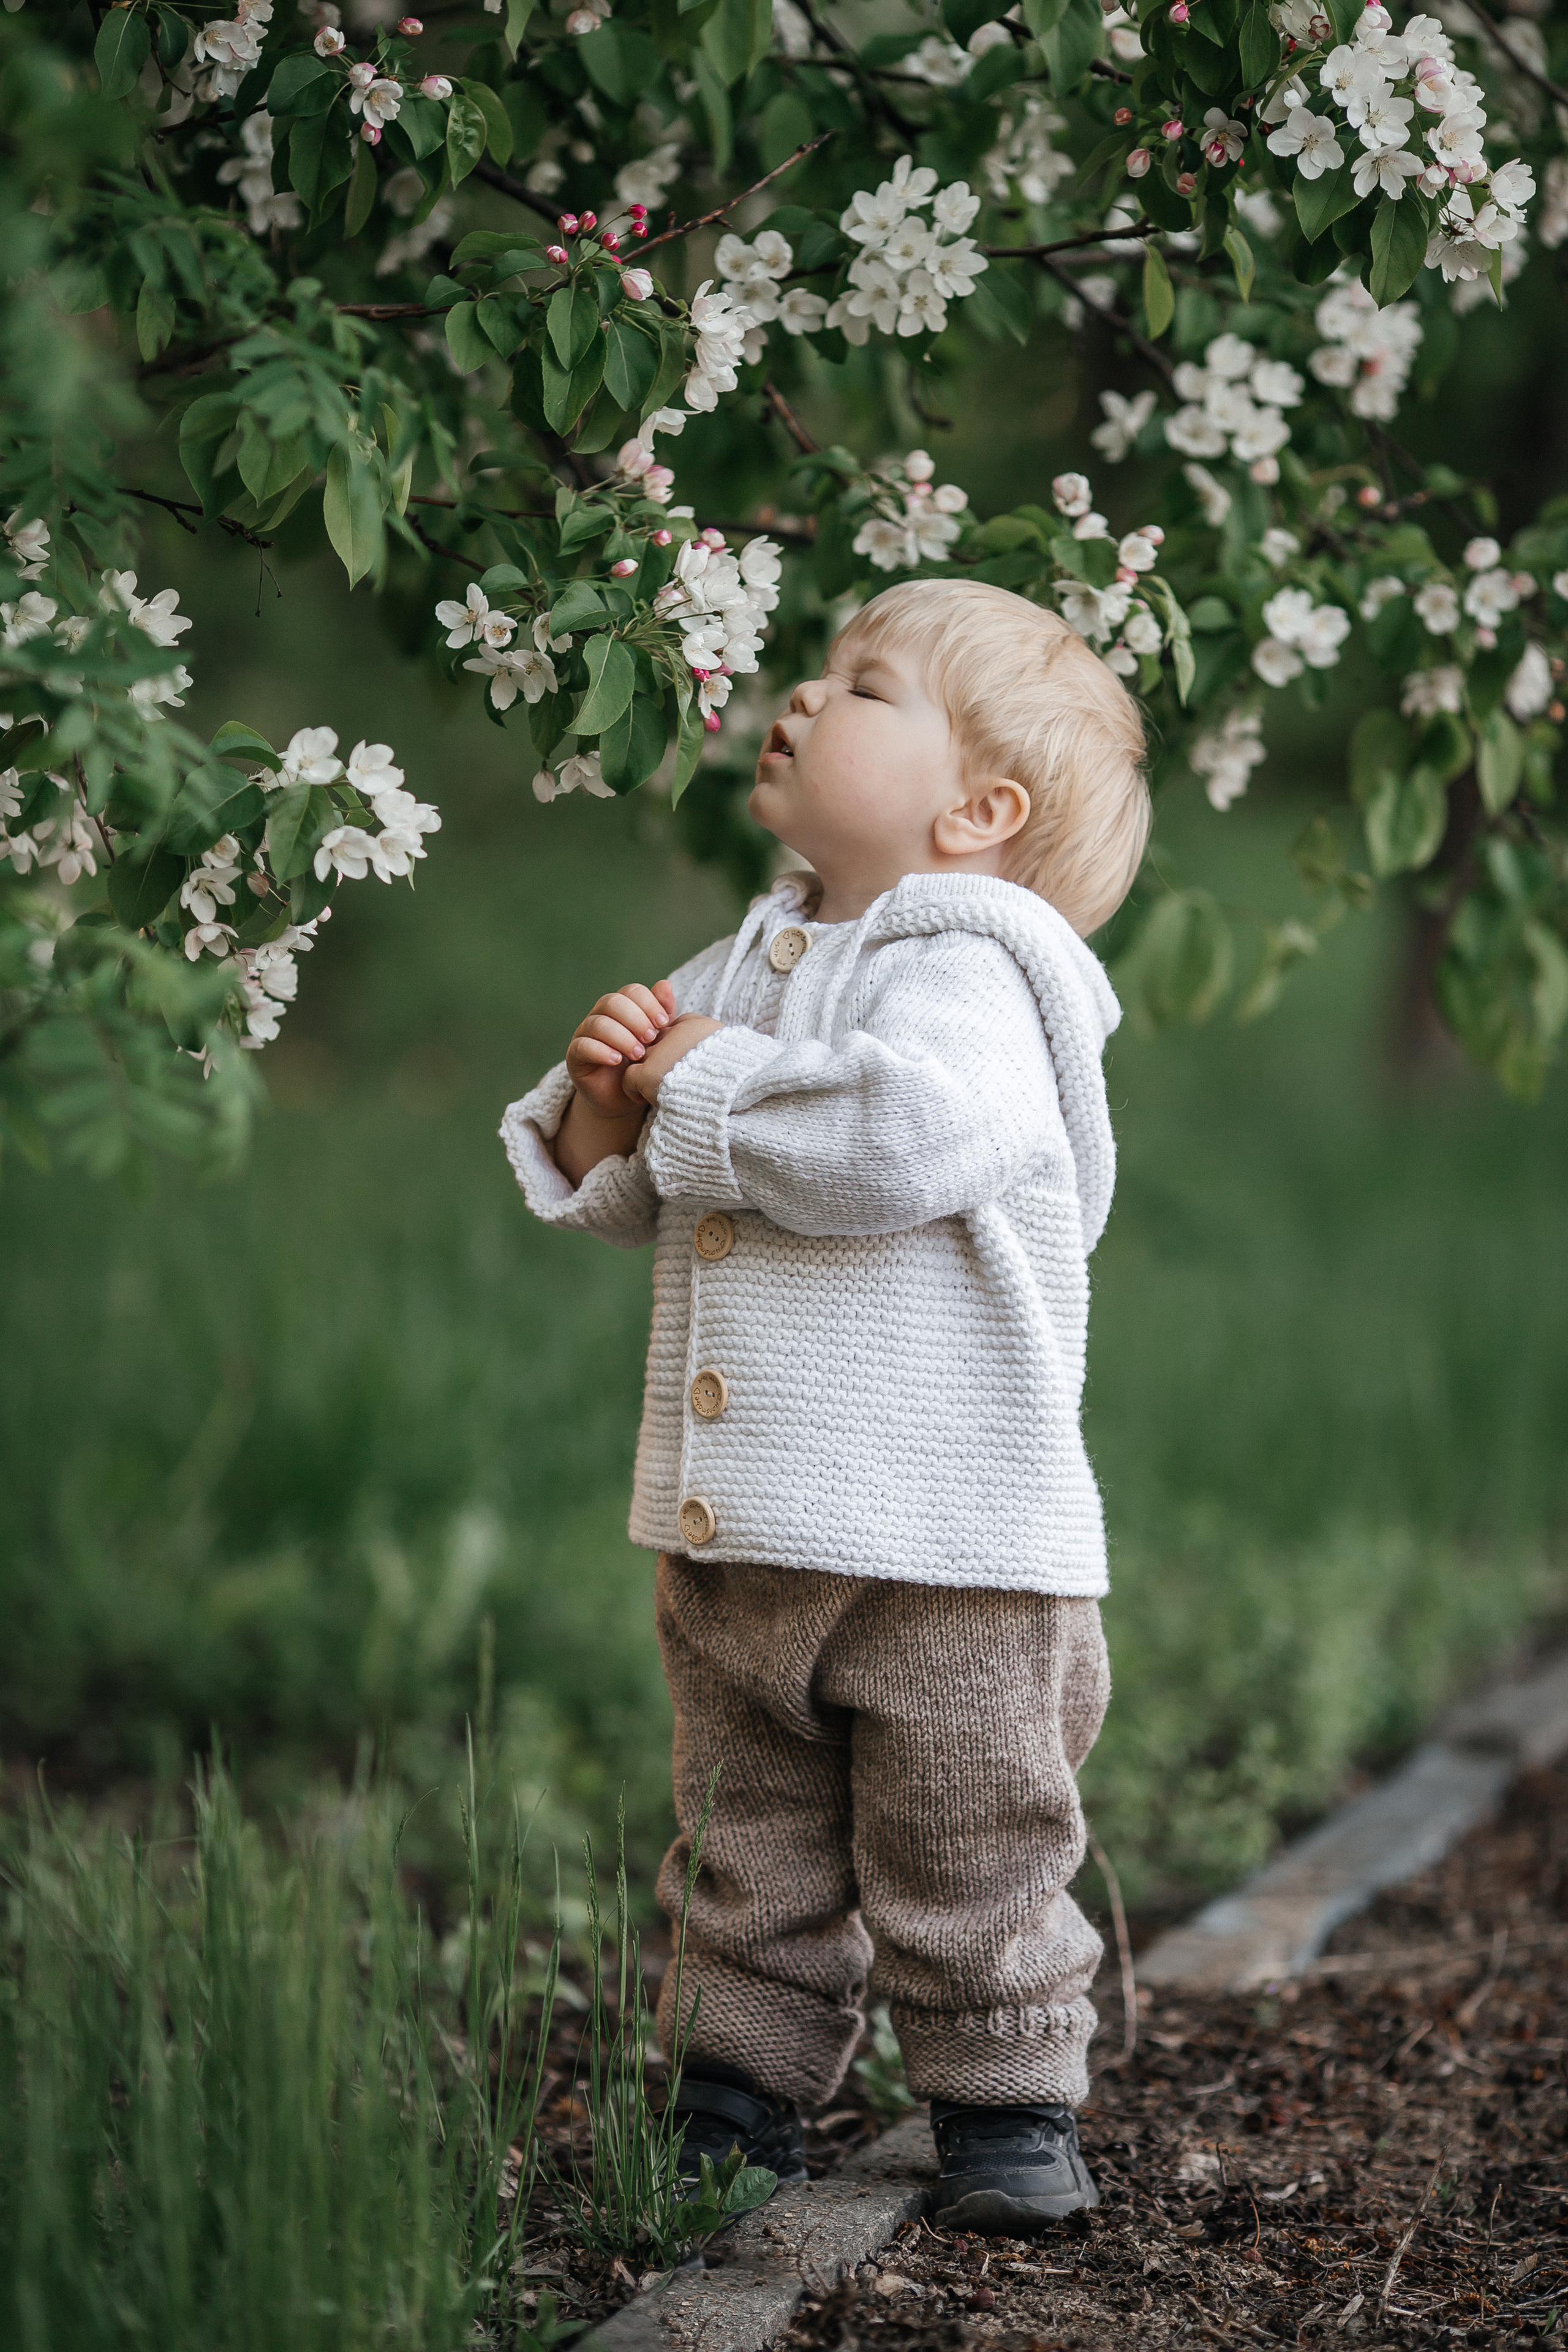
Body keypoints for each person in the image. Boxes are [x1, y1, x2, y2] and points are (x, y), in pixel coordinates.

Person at [500, 577, 1150, 2233]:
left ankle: (1006, 2103)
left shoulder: (979, 967)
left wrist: (693, 1075)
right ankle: (735, 2090)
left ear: (975, 812)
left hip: (948, 1541)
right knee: (748, 1838)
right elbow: (658, 1174)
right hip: (749, 1523)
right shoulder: (766, 946)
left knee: (969, 1833)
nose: (801, 693)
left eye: (864, 686)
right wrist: (600, 1105)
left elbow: (889, 1145)